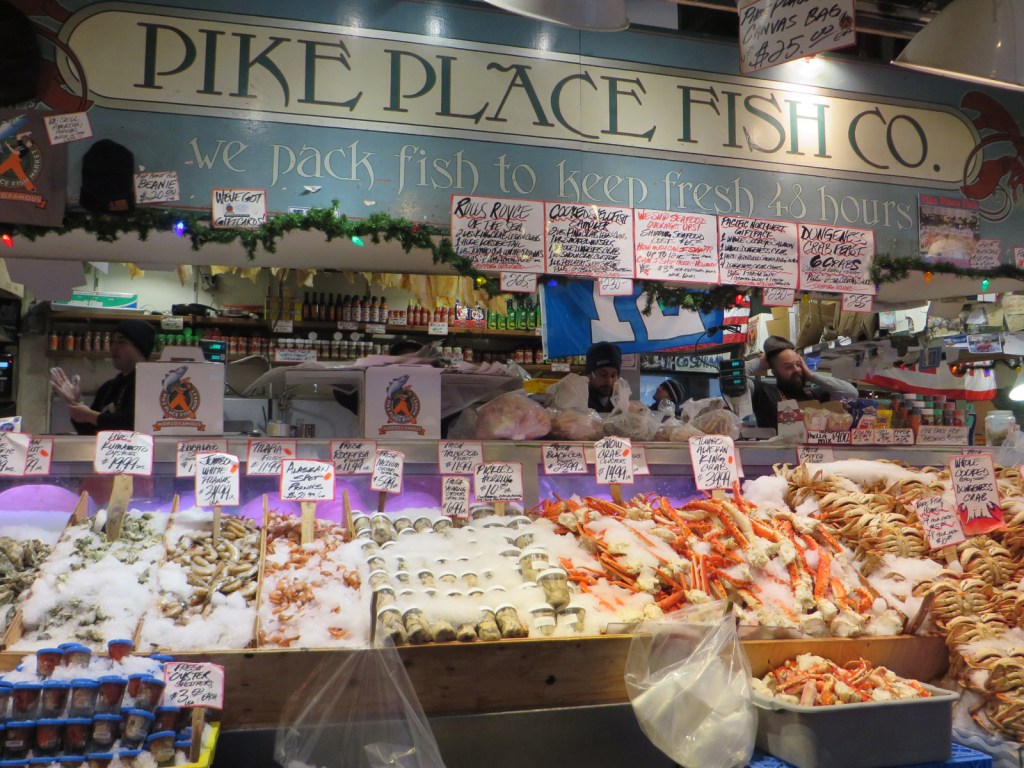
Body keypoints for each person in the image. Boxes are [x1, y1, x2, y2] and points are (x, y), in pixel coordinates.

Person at [50, 319, 155, 435]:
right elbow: (88, 431)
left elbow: (134, 424)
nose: (113, 347)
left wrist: (90, 415)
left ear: (140, 347)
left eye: (121, 341)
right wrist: (74, 402)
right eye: (113, 341)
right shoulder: (108, 388)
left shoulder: (151, 385)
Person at [747, 335, 858, 430]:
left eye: (798, 364)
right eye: (788, 366)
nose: (796, 370)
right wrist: (759, 362)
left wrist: (811, 376)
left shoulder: (814, 395)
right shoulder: (764, 393)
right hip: (778, 449)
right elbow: (736, 378)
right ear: (774, 371)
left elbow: (852, 393)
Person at [585, 341, 621, 413]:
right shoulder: (578, 402)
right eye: (603, 375)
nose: (609, 382)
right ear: (589, 374)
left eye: (613, 375)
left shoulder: (620, 402)